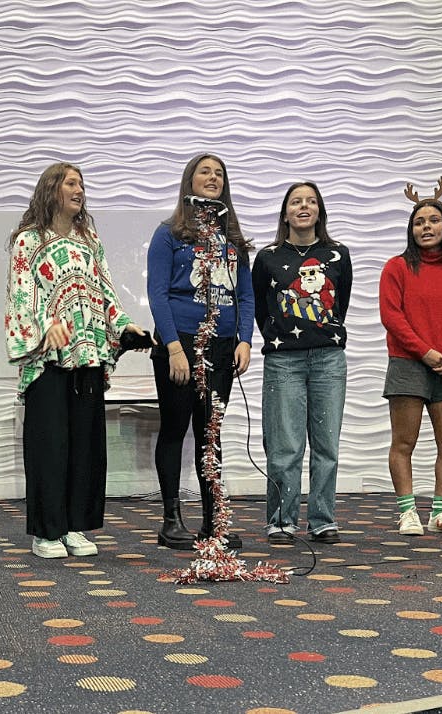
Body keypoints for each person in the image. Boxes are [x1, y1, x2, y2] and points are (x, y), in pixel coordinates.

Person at [4, 162, 150, 559]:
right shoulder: (28, 240)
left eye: (82, 184)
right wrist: (42, 328)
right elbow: (21, 293)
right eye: (71, 183)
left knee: (84, 445)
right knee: (49, 445)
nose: (79, 189)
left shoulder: (89, 239)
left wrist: (124, 327)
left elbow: (104, 290)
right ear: (52, 189)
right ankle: (46, 532)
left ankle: (75, 526)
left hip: (88, 354)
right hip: (49, 358)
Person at [148, 154, 254, 550]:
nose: (213, 178)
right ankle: (171, 519)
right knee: (176, 429)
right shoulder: (169, 233)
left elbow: (244, 294)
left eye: (219, 173)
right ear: (189, 181)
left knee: (212, 434)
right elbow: (157, 294)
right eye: (204, 172)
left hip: (223, 346)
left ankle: (215, 520)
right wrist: (174, 347)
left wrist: (244, 339)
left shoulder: (233, 240)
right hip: (180, 343)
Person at [252, 182, 352, 545]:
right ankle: (282, 520)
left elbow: (341, 303)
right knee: (285, 446)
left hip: (328, 359)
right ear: (285, 212)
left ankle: (323, 519)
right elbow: (262, 309)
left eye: (311, 201)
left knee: (326, 445)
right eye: (296, 202)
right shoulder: (267, 257)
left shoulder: (338, 254)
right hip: (283, 361)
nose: (304, 206)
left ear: (319, 211)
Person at [379, 188, 442, 536]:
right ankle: (407, 512)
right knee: (404, 442)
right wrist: (425, 352)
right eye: (419, 222)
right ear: (411, 229)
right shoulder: (397, 267)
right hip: (409, 363)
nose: (426, 227)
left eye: (434, 220)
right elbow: (392, 316)